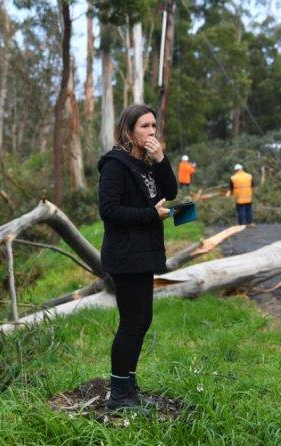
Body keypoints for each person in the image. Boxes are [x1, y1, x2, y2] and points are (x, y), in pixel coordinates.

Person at [97, 104, 177, 411]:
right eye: (145, 126)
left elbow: (170, 190)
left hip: (144, 252)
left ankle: (128, 388)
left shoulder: (146, 163)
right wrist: (150, 215)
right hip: (125, 254)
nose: (152, 131)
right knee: (131, 322)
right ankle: (119, 396)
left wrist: (160, 159)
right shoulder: (115, 165)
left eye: (154, 126)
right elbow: (109, 210)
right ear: (129, 130)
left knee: (143, 321)